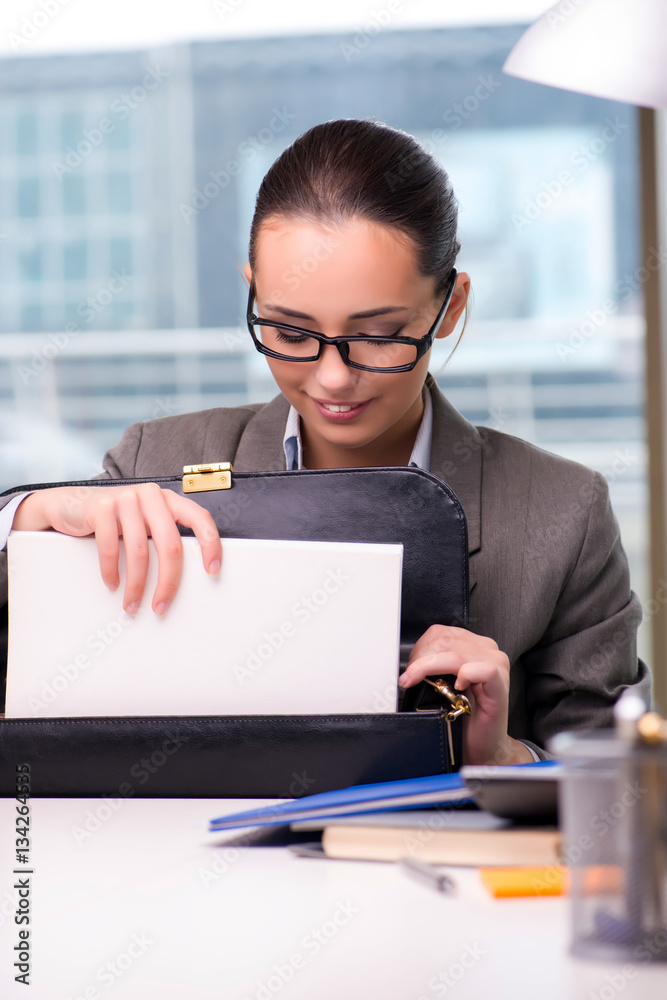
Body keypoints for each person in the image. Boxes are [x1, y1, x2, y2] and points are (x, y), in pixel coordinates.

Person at [0, 118, 651, 763]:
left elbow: (619, 782)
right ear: (254, 292)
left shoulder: (561, 515)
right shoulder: (154, 462)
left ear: (449, 306)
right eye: (289, 332)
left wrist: (503, 758)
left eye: (377, 335)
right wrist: (27, 517)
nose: (333, 378)